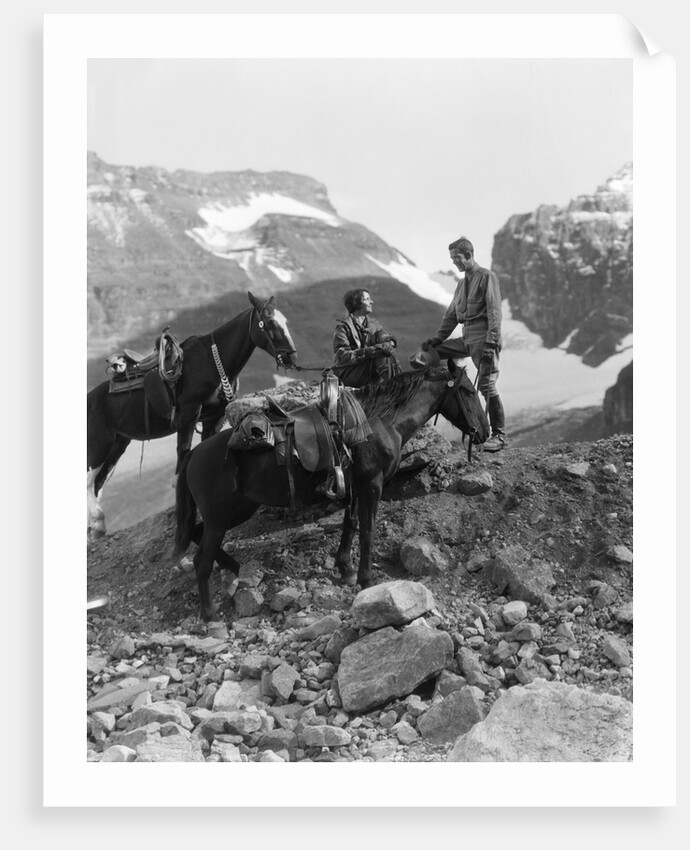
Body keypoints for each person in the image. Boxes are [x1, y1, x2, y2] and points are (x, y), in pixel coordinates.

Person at [417, 237, 507, 451]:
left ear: (468, 255)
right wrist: (437, 340)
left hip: (483, 336)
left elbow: (494, 312)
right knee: (430, 353)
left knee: (486, 386)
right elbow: (451, 316)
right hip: (466, 336)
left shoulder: (487, 277)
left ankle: (499, 436)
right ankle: (446, 394)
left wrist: (490, 342)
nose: (454, 262)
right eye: (452, 258)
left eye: (457, 257)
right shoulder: (460, 284)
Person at [332, 288, 401, 388]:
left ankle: (395, 386)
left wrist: (390, 342)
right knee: (380, 355)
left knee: (385, 353)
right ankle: (395, 388)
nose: (371, 302)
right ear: (356, 303)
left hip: (366, 371)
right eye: (367, 299)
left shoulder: (373, 326)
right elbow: (342, 356)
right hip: (348, 373)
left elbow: (384, 336)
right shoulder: (343, 327)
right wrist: (369, 352)